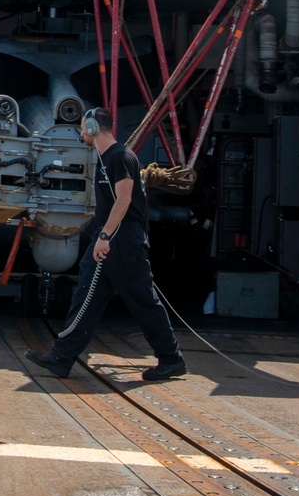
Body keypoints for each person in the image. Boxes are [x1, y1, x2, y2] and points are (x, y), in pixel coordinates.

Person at [26, 107, 186, 382]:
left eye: (81, 128)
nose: (79, 133)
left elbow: (123, 201)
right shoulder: (104, 159)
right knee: (89, 298)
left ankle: (171, 359)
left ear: (91, 127)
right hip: (114, 238)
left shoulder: (120, 157)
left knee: (137, 301)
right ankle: (61, 358)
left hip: (119, 241)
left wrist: (104, 237)